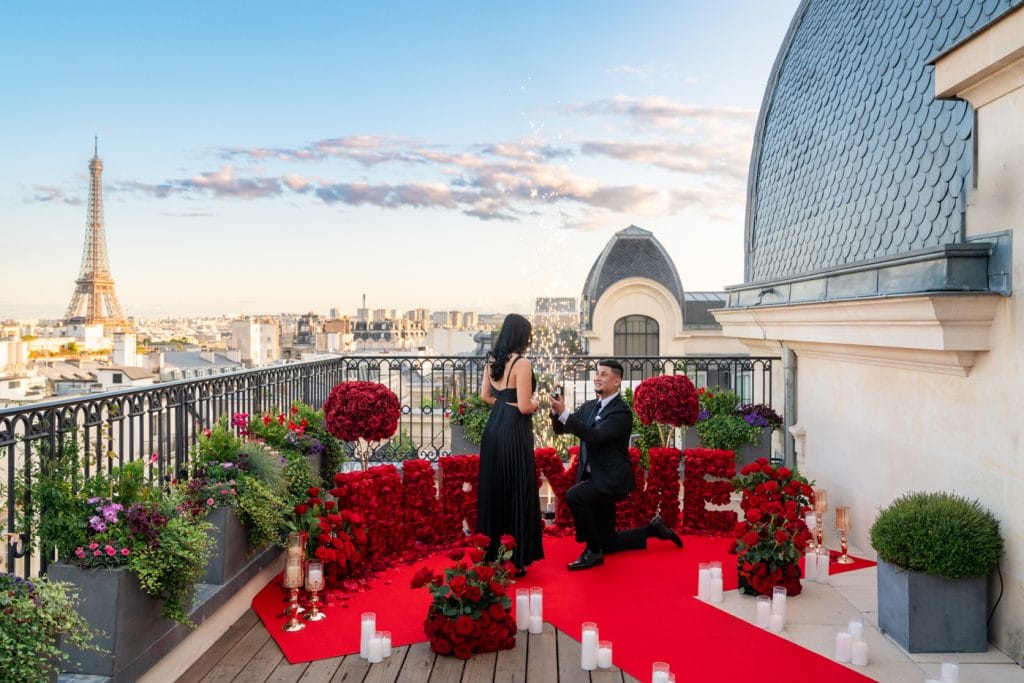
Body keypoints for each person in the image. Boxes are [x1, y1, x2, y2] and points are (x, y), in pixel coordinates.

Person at [550, 359, 682, 570]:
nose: (597, 377)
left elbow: (596, 436)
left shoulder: (621, 413)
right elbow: (563, 429)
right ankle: (653, 530)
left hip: (611, 481)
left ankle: (593, 553)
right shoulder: (589, 406)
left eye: (603, 374)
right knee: (608, 543)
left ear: (617, 381)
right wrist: (557, 412)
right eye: (597, 373)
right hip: (595, 478)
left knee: (574, 495)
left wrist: (564, 413)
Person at [477, 313, 544, 575]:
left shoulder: (492, 360)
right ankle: (517, 558)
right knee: (517, 489)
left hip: (494, 429)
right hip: (514, 430)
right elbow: (526, 406)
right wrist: (538, 404)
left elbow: (484, 396)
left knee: (494, 489)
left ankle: (491, 554)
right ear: (523, 336)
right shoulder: (522, 363)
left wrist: (503, 405)